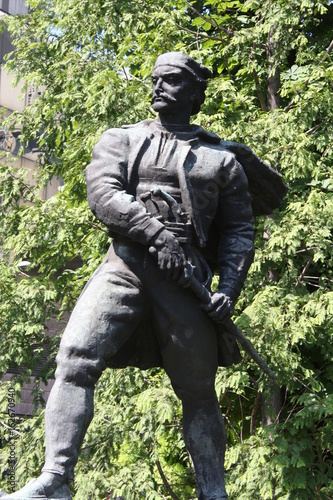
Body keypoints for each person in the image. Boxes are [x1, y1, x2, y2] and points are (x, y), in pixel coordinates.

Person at [4, 52, 286, 500]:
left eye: (171, 80)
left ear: (195, 94)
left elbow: (238, 232)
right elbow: (103, 194)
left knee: (197, 388)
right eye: (154, 79)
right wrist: (154, 233)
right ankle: (56, 478)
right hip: (125, 267)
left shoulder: (222, 160)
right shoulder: (120, 139)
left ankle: (213, 493)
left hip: (184, 280)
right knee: (74, 359)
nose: (157, 86)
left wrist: (228, 290)